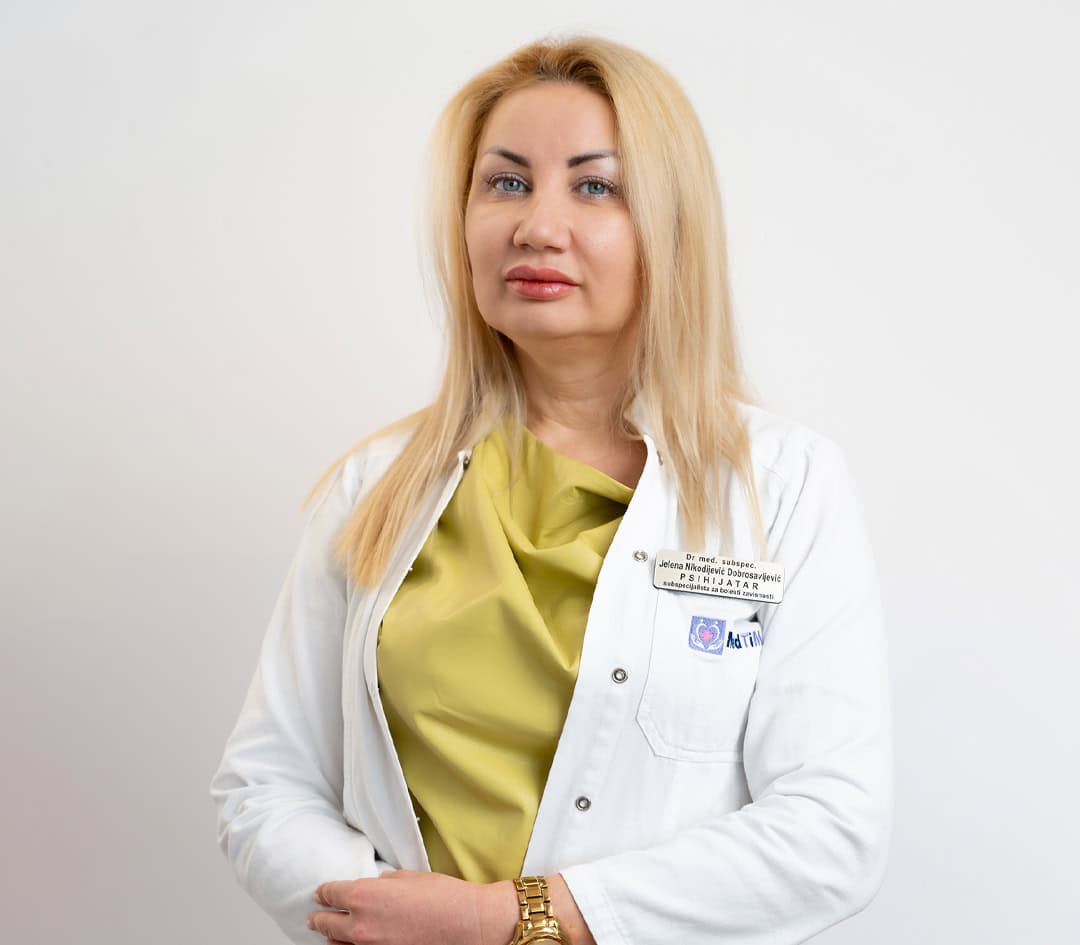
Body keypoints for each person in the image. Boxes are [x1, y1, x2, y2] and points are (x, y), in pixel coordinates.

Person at [210, 34, 892, 945]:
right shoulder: (377, 486)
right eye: (506, 181)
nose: (537, 225)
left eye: (595, 186)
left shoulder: (784, 486)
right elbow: (265, 784)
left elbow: (831, 832)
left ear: (670, 225)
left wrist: (509, 921)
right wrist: (387, 921)